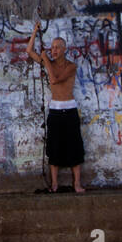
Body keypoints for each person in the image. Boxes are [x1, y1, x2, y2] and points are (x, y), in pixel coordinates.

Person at [27, 19, 85, 193]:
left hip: (70, 110)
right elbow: (29, 51)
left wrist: (45, 60)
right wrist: (34, 32)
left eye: (57, 47)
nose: (53, 50)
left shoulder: (71, 66)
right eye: (52, 48)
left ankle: (77, 184)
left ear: (64, 49)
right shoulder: (49, 63)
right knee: (55, 148)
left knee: (74, 147)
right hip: (55, 111)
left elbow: (54, 79)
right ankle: (54, 183)